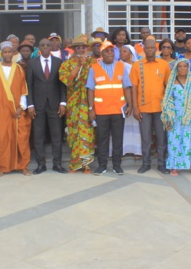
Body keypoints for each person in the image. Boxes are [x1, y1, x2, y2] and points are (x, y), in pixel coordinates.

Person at [87, 41, 132, 175]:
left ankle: (117, 165)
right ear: (101, 53)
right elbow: (90, 90)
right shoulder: (94, 68)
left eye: (111, 51)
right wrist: (91, 109)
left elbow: (126, 87)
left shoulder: (121, 67)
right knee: (102, 139)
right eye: (106, 51)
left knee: (118, 139)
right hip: (101, 111)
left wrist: (129, 105)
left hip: (118, 110)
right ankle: (102, 166)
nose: (110, 53)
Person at [0, 42, 31, 176]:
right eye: (5, 52)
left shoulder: (18, 68)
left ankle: (22, 166)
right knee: (1, 139)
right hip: (1, 110)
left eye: (9, 52)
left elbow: (24, 91)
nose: (7, 54)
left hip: (16, 111)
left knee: (21, 139)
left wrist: (21, 107)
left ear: (13, 53)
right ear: (1, 53)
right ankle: (1, 167)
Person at [26, 38, 67, 174]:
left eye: (47, 45)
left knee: (56, 135)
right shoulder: (32, 63)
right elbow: (29, 86)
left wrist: (63, 102)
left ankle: (57, 164)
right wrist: (30, 104)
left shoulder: (58, 62)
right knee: (38, 136)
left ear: (51, 47)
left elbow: (62, 85)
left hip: (55, 105)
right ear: (38, 48)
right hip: (37, 105)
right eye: (42, 45)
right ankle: (40, 164)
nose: (45, 47)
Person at [130, 38, 171, 174]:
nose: (150, 50)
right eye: (147, 48)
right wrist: (135, 107)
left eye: (152, 48)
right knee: (146, 138)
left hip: (160, 108)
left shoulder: (163, 64)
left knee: (161, 137)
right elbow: (134, 88)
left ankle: (161, 164)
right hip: (144, 108)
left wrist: (168, 106)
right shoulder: (137, 65)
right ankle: (145, 163)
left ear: (156, 49)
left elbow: (168, 86)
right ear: (144, 50)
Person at [59, 36, 96, 173]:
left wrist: (85, 64)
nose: (81, 50)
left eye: (83, 47)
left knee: (87, 133)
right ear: (73, 49)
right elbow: (67, 81)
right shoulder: (66, 64)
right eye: (78, 47)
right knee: (74, 133)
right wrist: (79, 66)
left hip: (87, 103)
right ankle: (75, 164)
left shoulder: (92, 63)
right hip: (73, 104)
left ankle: (86, 164)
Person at [118, 45, 142, 158]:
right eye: (120, 51)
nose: (121, 53)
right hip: (122, 98)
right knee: (122, 126)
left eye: (124, 51)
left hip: (136, 96)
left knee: (136, 124)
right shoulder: (118, 66)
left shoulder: (137, 66)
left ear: (131, 54)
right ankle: (122, 150)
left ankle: (137, 150)